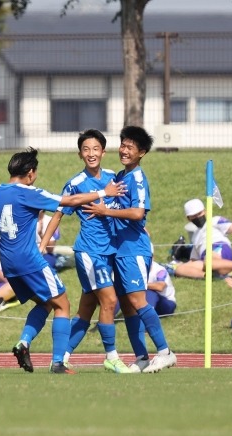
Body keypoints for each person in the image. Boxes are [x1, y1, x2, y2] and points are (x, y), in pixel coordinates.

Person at [0, 147, 126, 374]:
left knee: (46, 303)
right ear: (30, 173)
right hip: (29, 260)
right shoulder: (28, 192)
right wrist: (104, 193)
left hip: (7, 262)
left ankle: (24, 342)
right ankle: (58, 362)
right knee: (63, 304)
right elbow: (70, 200)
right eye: (35, 173)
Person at [83, 126, 176, 373]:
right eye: (123, 145)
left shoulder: (136, 178)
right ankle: (142, 357)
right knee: (127, 306)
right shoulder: (121, 177)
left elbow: (137, 213)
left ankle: (166, 352)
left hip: (134, 249)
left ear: (141, 153)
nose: (124, 150)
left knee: (138, 300)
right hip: (120, 251)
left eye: (130, 147)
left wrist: (106, 211)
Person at [39, 129, 131, 374]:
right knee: (110, 301)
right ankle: (111, 356)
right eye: (86, 150)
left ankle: (60, 358)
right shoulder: (76, 184)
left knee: (86, 310)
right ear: (80, 154)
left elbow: (126, 209)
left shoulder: (114, 177)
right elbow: (58, 214)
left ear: (103, 151)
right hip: (90, 253)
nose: (91, 154)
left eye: (95, 149)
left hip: (111, 253)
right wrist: (43, 243)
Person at [172, 198, 232, 279]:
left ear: (205, 211)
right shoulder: (195, 235)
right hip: (205, 259)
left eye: (199, 213)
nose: (197, 217)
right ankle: (209, 276)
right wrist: (183, 265)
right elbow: (194, 259)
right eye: (194, 216)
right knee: (180, 270)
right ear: (189, 218)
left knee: (209, 262)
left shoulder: (214, 220)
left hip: (219, 248)